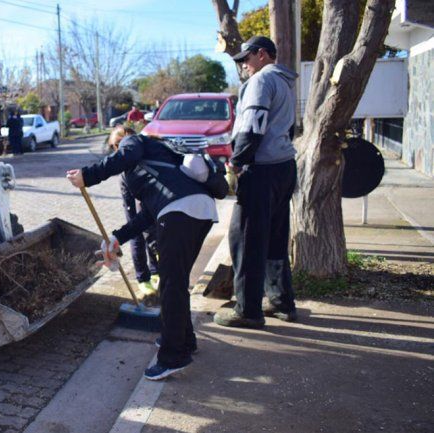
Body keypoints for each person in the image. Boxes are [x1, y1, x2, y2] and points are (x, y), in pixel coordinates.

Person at [66, 132, 218, 381]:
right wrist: (116, 238)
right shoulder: (159, 159)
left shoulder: (134, 141)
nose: (118, 156)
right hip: (201, 210)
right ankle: (184, 340)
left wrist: (88, 175)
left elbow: (128, 155)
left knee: (171, 285)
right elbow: (146, 215)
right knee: (176, 283)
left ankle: (173, 356)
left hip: (179, 212)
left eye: (116, 150)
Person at [213, 36, 298, 329]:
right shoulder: (286, 82)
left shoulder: (262, 81)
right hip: (284, 166)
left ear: (262, 54)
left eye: (245, 59)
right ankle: (281, 302)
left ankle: (248, 310)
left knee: (245, 240)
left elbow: (253, 126)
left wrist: (236, 162)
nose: (243, 66)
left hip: (260, 170)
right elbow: (292, 127)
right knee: (275, 237)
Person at [107, 127, 159, 295]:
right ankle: (143, 278)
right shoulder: (124, 173)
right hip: (131, 192)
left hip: (150, 194)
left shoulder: (146, 156)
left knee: (152, 231)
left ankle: (156, 270)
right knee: (135, 232)